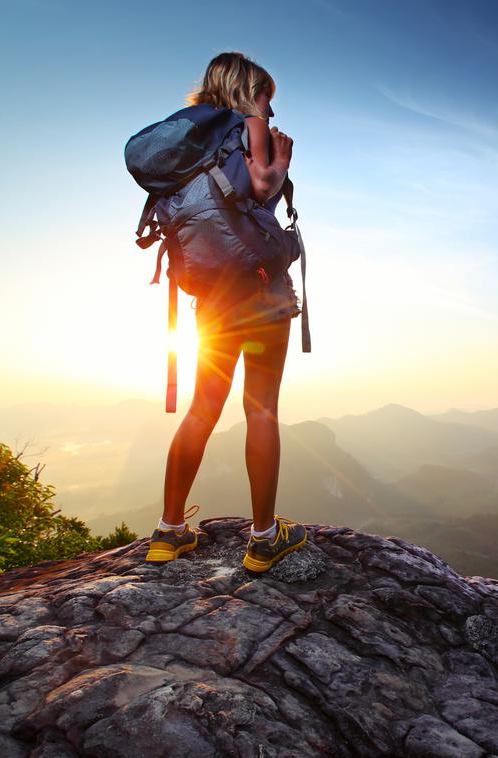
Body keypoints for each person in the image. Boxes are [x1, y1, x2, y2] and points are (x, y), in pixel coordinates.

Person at [145, 52, 308, 573]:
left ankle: (169, 532)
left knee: (203, 407)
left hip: (211, 297)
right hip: (261, 294)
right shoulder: (249, 124)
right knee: (260, 408)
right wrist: (280, 166)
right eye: (267, 98)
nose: (271, 112)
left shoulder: (188, 143)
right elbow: (261, 187)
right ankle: (263, 539)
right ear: (249, 90)